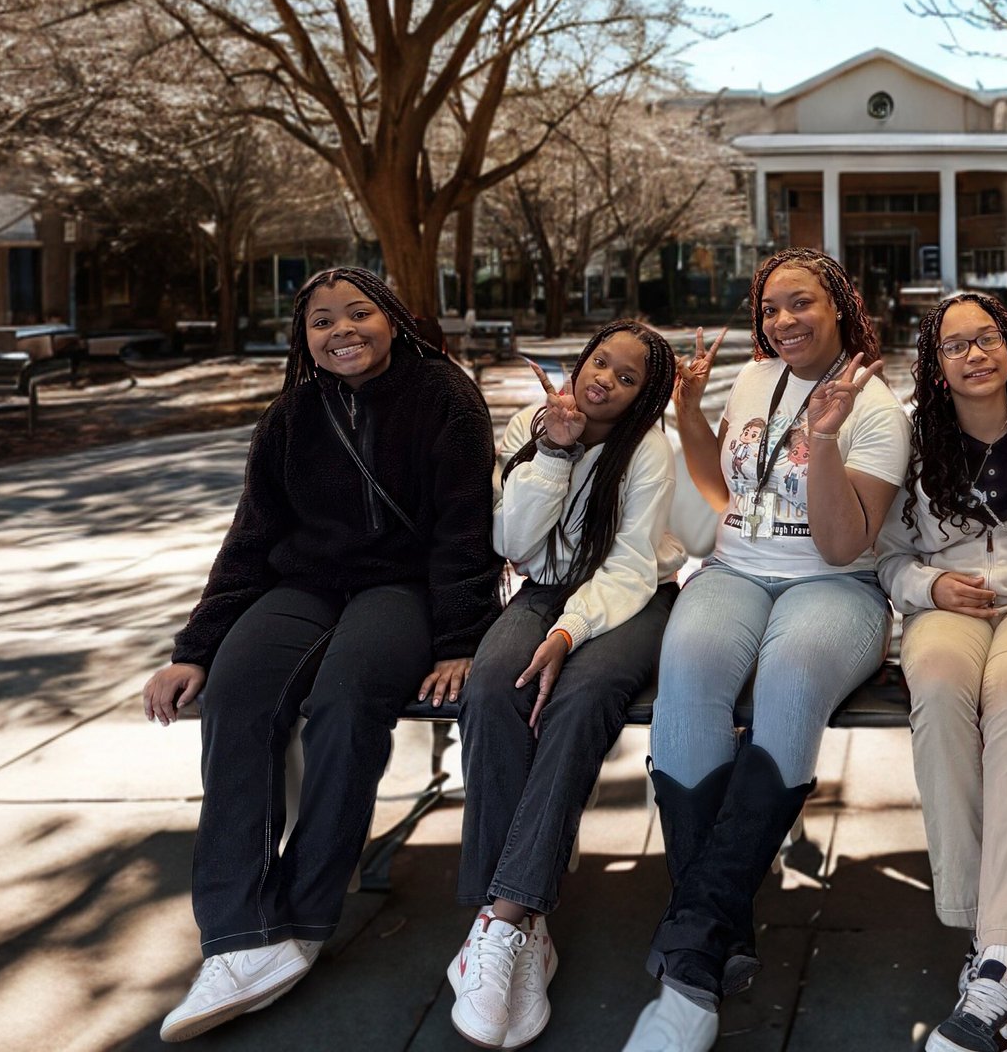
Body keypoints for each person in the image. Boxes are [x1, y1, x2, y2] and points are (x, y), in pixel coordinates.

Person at [142, 267, 504, 1044]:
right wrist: (195, 648)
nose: (341, 330)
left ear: (393, 319)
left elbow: (464, 526)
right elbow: (250, 538)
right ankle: (236, 936)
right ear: (303, 338)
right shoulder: (290, 415)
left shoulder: (445, 396)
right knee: (237, 698)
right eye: (321, 321)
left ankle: (303, 916)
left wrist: (461, 640)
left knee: (346, 699)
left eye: (359, 313)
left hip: (401, 590)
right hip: (302, 585)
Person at [622, 248, 910, 1052]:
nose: (783, 321)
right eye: (770, 308)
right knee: (686, 674)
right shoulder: (754, 379)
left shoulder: (879, 409)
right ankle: (717, 930)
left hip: (837, 589)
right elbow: (722, 495)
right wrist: (687, 409)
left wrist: (824, 437)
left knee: (788, 679)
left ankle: (688, 974)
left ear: (840, 307)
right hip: (735, 573)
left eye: (801, 303)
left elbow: (842, 538)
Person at [445, 322, 683, 1048]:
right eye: (599, 361)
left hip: (635, 597)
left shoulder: (648, 450)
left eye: (628, 376)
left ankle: (505, 916)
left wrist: (566, 636)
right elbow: (513, 545)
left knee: (581, 699)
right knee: (491, 688)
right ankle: (520, 925)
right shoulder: (532, 423)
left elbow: (632, 568)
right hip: (544, 592)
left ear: (647, 397)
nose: (604, 378)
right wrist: (552, 450)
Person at [877, 292, 1007, 1052]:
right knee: (935, 689)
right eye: (955, 346)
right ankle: (996, 949)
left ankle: (995, 963)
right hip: (946, 608)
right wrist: (928, 587)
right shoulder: (913, 442)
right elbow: (887, 556)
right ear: (935, 366)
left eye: (987, 339)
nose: (975, 355)